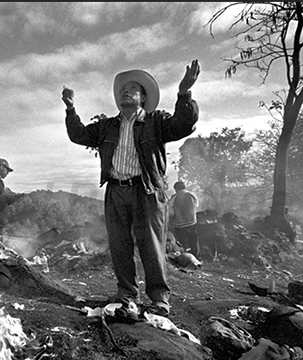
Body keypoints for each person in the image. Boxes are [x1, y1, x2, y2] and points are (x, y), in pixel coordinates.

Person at [62, 60, 200, 319]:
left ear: (143, 97)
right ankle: (127, 295)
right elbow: (78, 135)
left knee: (151, 244)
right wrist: (71, 109)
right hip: (115, 191)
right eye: (123, 89)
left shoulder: (156, 121)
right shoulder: (107, 126)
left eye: (133, 89)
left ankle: (159, 299)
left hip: (145, 190)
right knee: (119, 245)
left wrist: (184, 93)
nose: (126, 92)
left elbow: (184, 125)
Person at [169, 181, 200, 259]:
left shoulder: (174, 197)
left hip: (179, 224)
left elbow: (171, 212)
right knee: (193, 241)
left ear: (177, 189)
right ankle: (197, 258)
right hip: (192, 222)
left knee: (182, 243)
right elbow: (196, 205)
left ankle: (185, 259)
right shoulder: (192, 195)